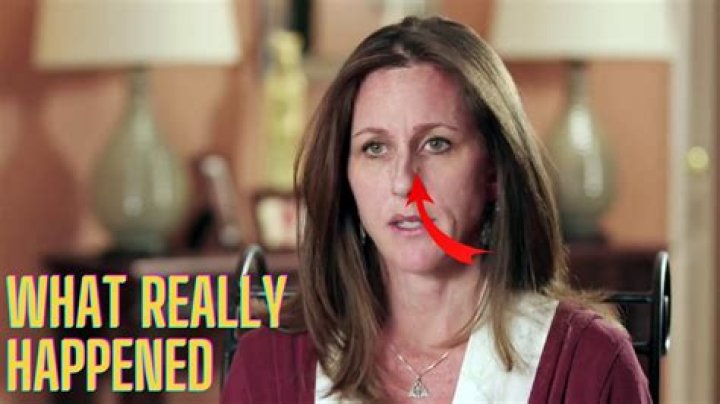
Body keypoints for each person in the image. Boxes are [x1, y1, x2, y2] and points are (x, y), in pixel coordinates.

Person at [222, 16, 650, 403]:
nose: (403, 182)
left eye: (436, 144)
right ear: (344, 176)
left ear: (494, 172)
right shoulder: (268, 365)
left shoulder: (591, 365)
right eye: (375, 148)